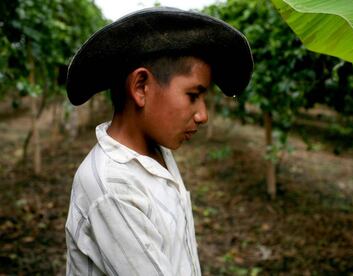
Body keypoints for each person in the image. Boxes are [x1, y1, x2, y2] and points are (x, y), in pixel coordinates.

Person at [65, 7, 253, 276]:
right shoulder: (112, 186)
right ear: (141, 87)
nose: (203, 115)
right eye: (193, 95)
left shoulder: (155, 151)